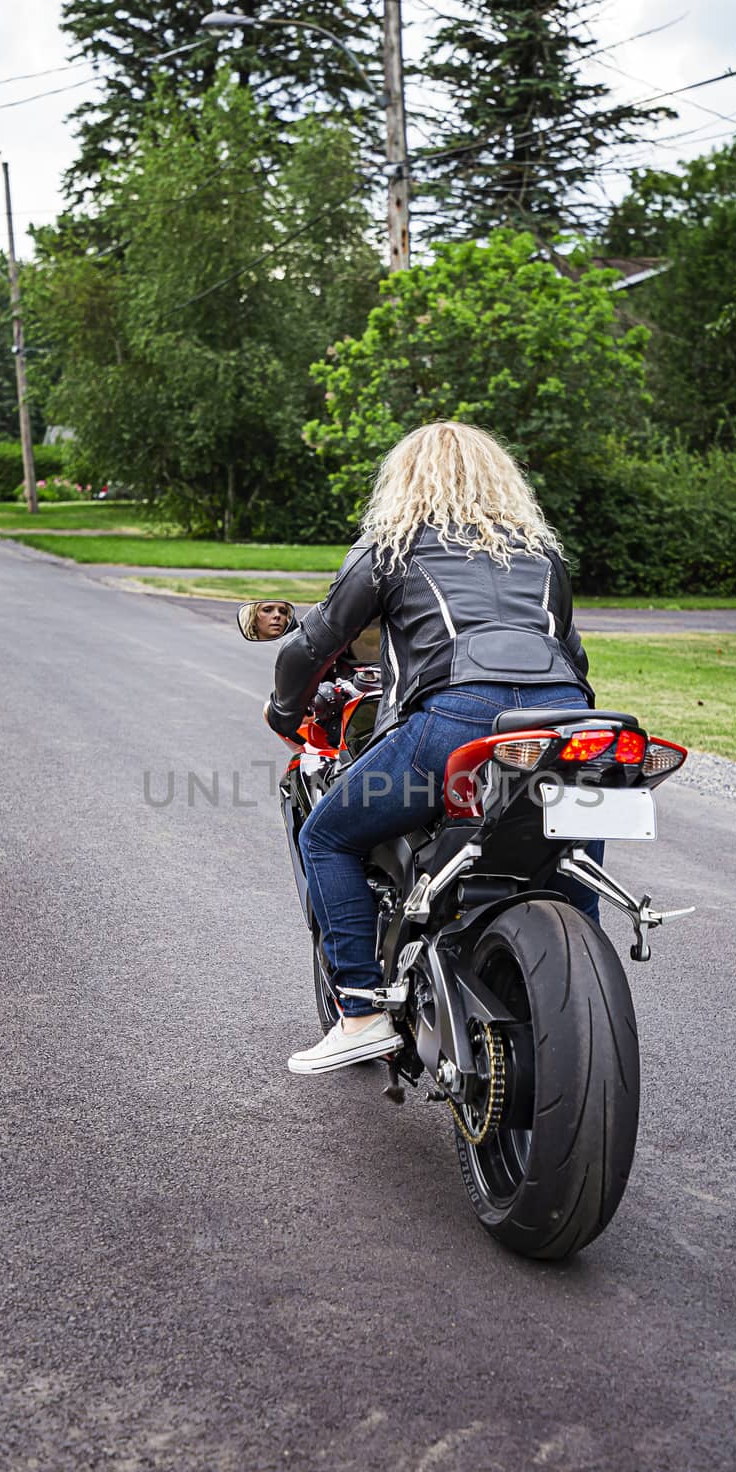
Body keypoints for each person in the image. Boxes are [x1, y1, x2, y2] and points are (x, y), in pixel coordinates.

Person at [264, 420, 602, 1076]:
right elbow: (572, 656)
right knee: (568, 858)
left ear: (405, 480)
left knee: (328, 838)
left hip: (457, 718)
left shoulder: (390, 546)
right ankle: (580, 1004)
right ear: (499, 478)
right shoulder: (541, 555)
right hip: (565, 721)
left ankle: (359, 1012)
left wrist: (285, 711)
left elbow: (311, 644)